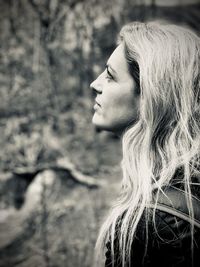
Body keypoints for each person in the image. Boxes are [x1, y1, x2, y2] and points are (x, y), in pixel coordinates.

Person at [90, 21, 200, 267]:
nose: (95, 84)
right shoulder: (187, 188)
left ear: (150, 97)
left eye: (110, 76)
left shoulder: (151, 223)